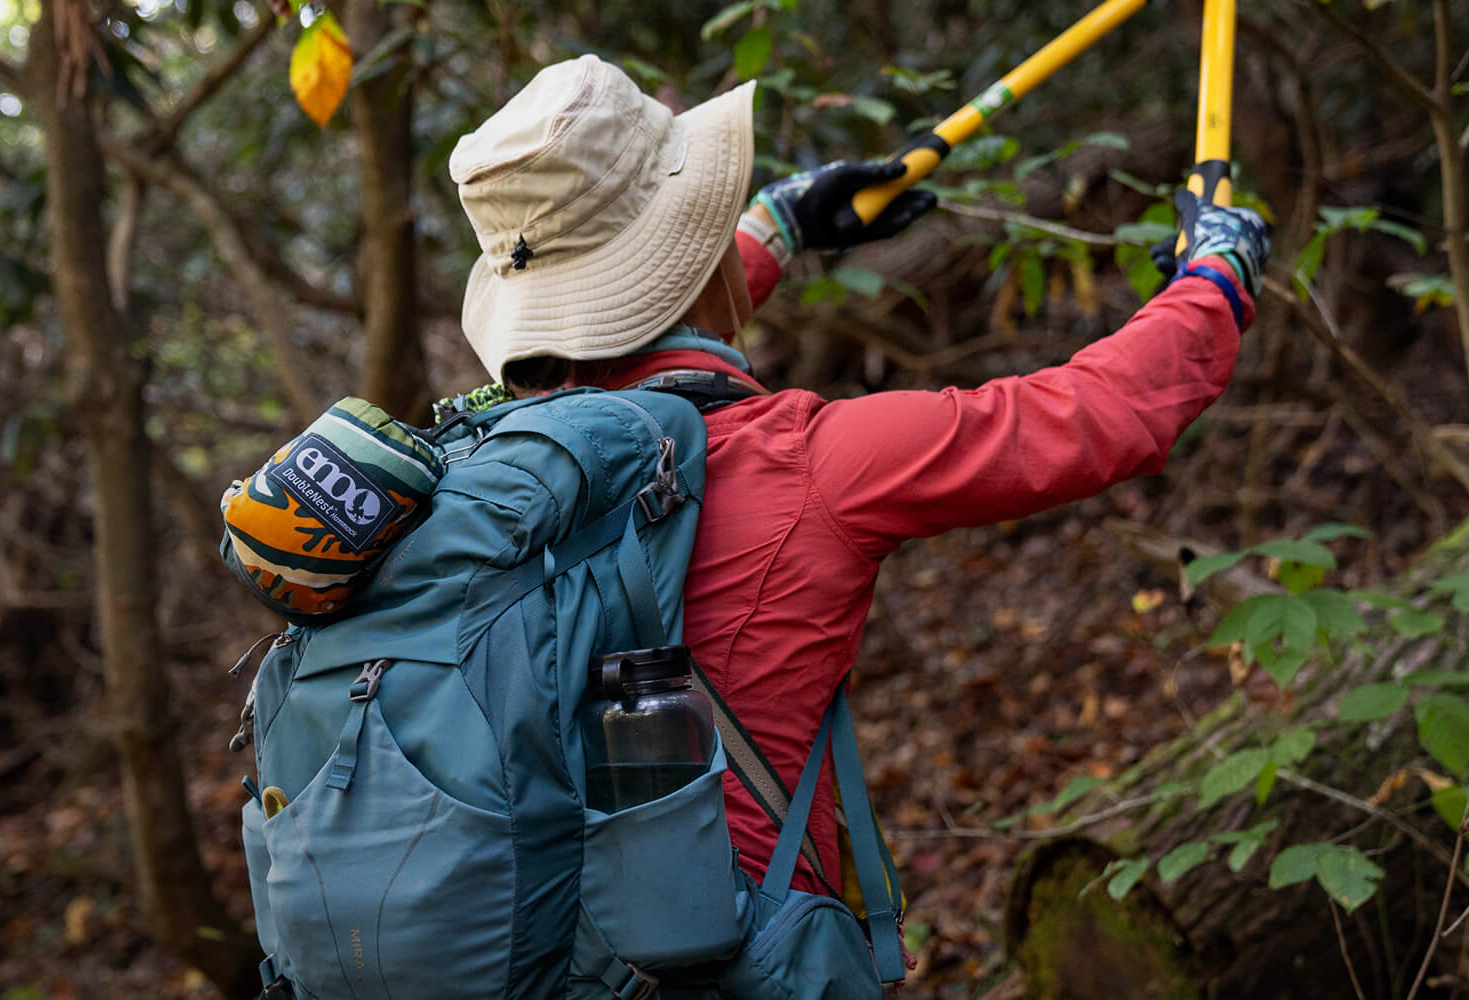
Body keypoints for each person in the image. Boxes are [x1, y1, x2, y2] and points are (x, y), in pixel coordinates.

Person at [447, 54, 1268, 907]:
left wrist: (778, 225)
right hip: (732, 954)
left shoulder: (482, 469)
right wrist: (1217, 278)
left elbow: (633, 353)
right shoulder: (815, 468)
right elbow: (1099, 412)